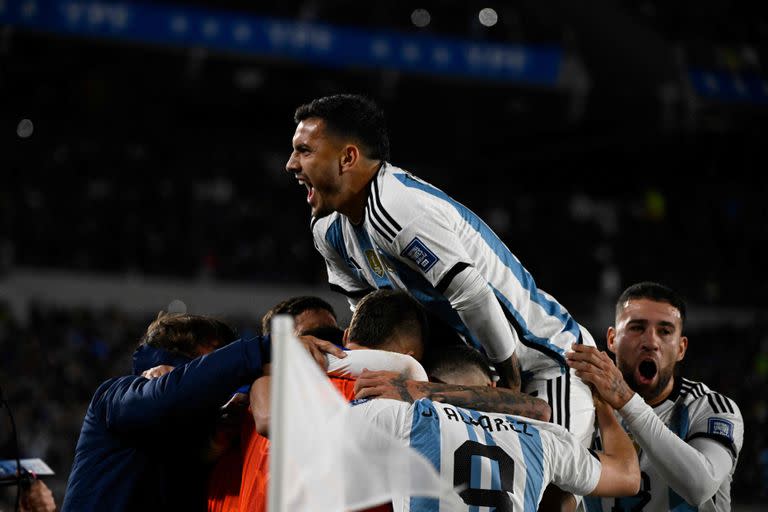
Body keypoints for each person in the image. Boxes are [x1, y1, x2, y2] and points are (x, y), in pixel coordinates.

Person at [285, 93, 595, 443]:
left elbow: (472, 294)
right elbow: (373, 317)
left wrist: (509, 385)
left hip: (543, 358)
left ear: (348, 157)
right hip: (481, 371)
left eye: (304, 150)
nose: (291, 164)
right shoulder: (328, 229)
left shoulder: (397, 206)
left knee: (548, 481)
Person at [62, 312, 343, 512]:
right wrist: (266, 348)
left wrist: (218, 440)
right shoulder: (114, 395)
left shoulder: (204, 429)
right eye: (215, 357)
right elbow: (169, 398)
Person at [349, 345, 641, 511]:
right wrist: (604, 405)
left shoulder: (404, 416)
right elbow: (629, 477)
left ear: (433, 380)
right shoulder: (542, 438)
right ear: (494, 386)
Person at [566, 282, 744, 512]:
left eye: (665, 331)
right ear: (612, 339)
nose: (650, 342)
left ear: (681, 348)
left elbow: (699, 487)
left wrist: (628, 402)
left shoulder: (709, 407)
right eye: (637, 328)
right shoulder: (584, 404)